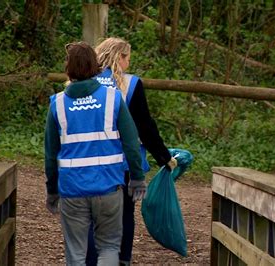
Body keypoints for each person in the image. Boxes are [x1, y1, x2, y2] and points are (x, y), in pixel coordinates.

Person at [44, 41, 147, 265]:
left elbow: (50, 155)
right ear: (95, 67)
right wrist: (137, 178)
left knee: (76, 254)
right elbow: (131, 143)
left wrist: (52, 190)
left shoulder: (58, 104)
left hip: (72, 190)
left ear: (68, 68)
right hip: (109, 187)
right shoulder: (112, 98)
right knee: (109, 248)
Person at [86, 37, 178, 266]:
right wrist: (164, 157)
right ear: (120, 57)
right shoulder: (131, 84)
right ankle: (122, 260)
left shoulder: (85, 81)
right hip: (125, 163)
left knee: (91, 215)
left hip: (90, 160)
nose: (129, 64)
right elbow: (145, 126)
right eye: (128, 58)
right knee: (125, 213)